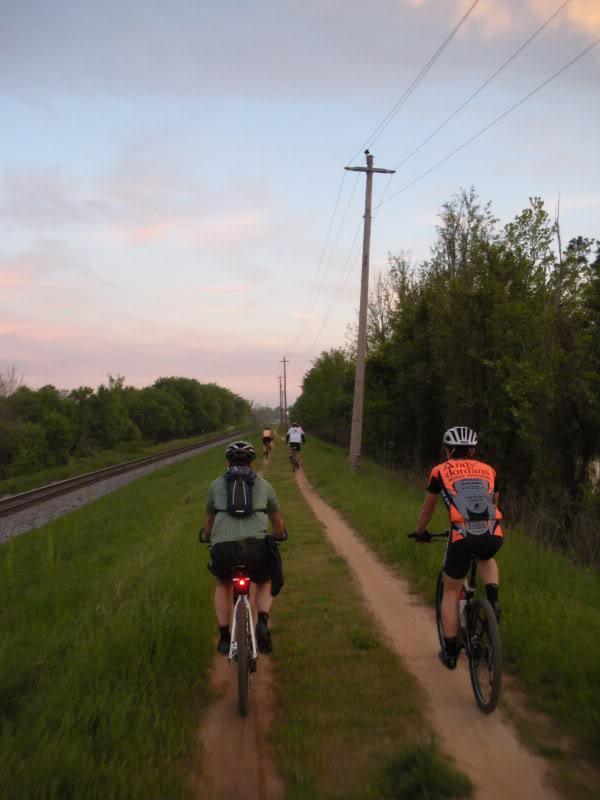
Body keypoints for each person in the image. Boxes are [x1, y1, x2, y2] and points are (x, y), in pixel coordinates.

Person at [411, 426, 503, 670]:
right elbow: (493, 502)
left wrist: (420, 532)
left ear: (447, 450)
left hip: (462, 535)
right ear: (473, 450)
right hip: (492, 533)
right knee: (486, 557)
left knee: (451, 591)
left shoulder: (439, 471)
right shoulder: (489, 470)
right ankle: (493, 602)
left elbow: (428, 509)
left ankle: (450, 651)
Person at [199, 441, 287, 655]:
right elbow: (277, 521)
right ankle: (263, 621)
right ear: (252, 462)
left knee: (222, 584)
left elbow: (209, 523)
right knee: (265, 580)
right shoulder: (264, 485)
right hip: (256, 549)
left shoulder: (215, 485)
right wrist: (280, 535)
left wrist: (206, 536)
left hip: (224, 551)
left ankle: (223, 636)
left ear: (227, 462)